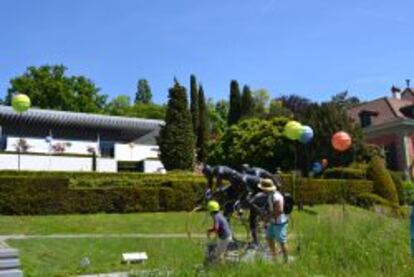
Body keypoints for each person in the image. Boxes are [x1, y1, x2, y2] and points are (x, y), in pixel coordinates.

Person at [258, 178, 289, 262]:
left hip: (280, 222)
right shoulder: (271, 195)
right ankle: (274, 256)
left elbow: (279, 210)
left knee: (282, 241)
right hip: (273, 221)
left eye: (263, 189)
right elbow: (272, 209)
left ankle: (286, 261)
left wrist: (267, 218)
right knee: (269, 237)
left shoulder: (276, 196)